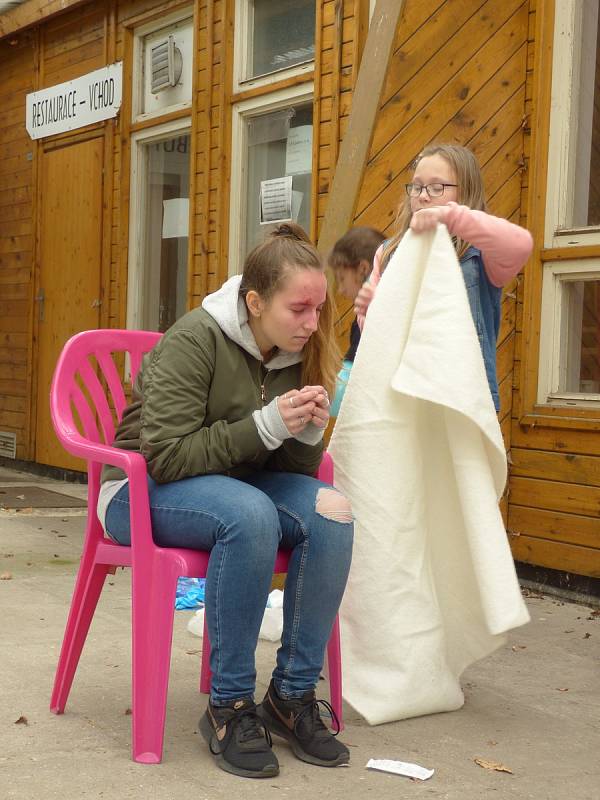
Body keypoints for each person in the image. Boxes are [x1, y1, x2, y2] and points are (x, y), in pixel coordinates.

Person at [96, 223, 354, 778]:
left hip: (237, 484)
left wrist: (306, 429)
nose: (313, 323)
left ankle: (290, 697)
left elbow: (288, 472)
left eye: (319, 308)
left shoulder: (298, 348)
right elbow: (163, 456)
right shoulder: (195, 339)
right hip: (138, 491)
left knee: (332, 511)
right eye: (299, 308)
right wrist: (266, 424)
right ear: (255, 302)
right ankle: (229, 705)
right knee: (250, 515)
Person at [354, 143, 533, 411]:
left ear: (466, 193)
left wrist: (450, 217)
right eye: (417, 186)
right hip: (404, 403)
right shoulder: (388, 252)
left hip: (462, 404)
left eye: (437, 188)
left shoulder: (481, 254)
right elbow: (378, 338)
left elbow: (520, 244)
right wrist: (369, 313)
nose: (423, 196)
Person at [327, 226, 385, 415]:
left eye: (342, 279)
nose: (341, 290)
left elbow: (347, 390)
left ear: (363, 269)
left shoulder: (366, 317)